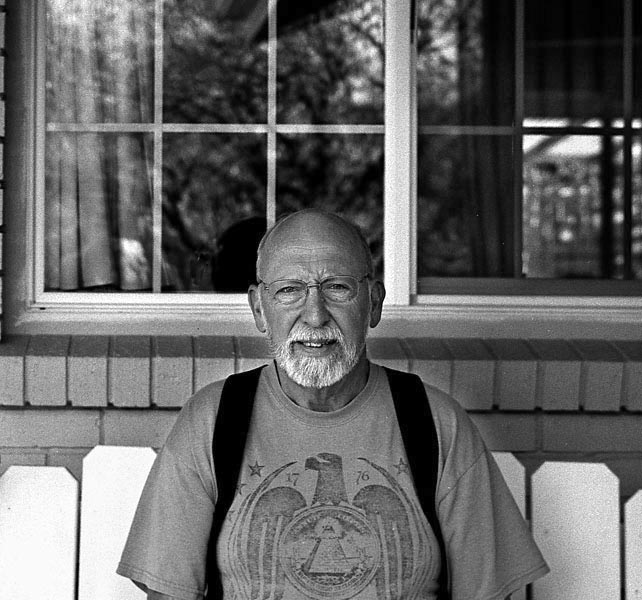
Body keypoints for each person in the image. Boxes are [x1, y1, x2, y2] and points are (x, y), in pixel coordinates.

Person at [118, 209, 549, 600]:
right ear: (259, 309)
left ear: (373, 302)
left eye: (337, 288)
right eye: (289, 290)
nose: (315, 315)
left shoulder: (436, 424)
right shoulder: (212, 422)